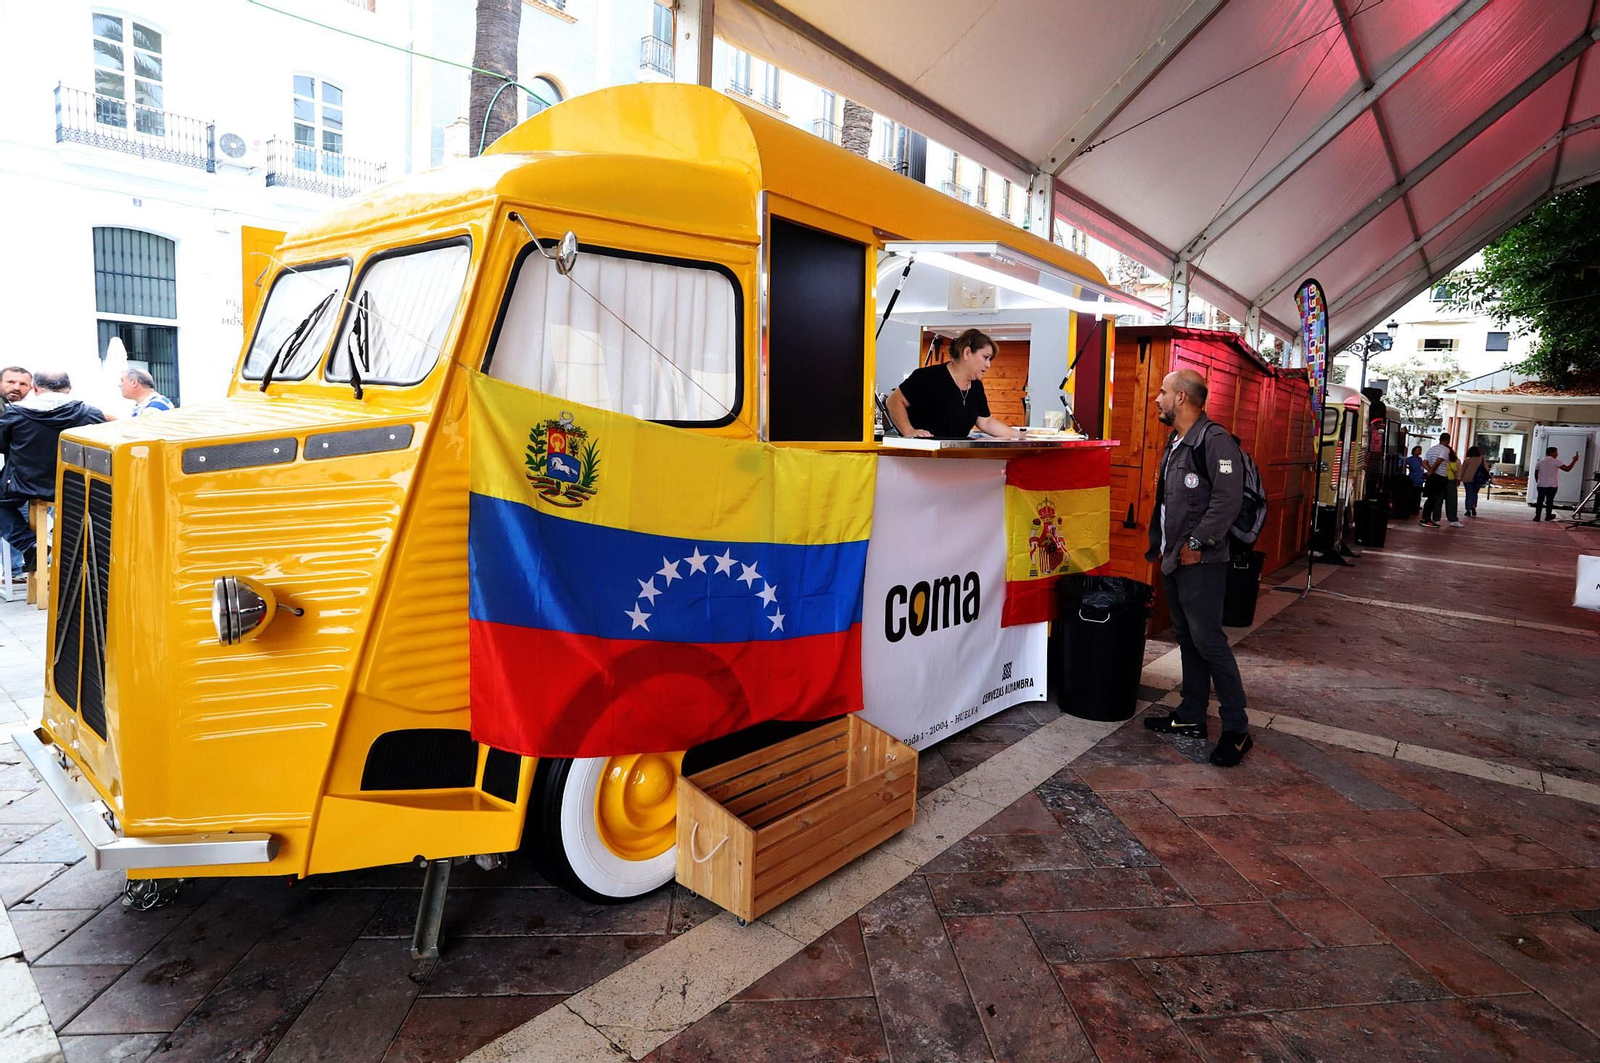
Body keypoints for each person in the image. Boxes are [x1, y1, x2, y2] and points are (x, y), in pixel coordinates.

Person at [1141, 369, 1253, 768]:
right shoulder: (1177, 441)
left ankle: (1237, 729)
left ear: (1183, 398)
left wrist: (1195, 543)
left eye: (1163, 392)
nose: (1157, 398)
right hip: (1175, 558)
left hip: (1201, 561)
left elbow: (1227, 501)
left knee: (1210, 643)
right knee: (1188, 638)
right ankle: (1191, 715)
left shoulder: (1215, 441)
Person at [0, 371, 107, 570]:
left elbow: (1, 445)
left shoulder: (15, 414)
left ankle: (28, 543)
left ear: (35, 388)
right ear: (69, 389)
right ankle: (69, 557)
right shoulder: (90, 413)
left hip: (25, 486)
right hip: (75, 488)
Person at [886, 329, 1023, 440]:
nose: (988, 365)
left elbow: (985, 422)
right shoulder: (928, 377)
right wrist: (908, 431)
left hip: (954, 459)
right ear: (967, 352)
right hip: (923, 457)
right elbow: (894, 400)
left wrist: (1020, 435)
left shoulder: (976, 386)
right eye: (985, 357)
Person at [0, 367, 32, 576]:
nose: (16, 388)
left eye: (22, 384)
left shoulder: (15, 408)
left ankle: (18, 567)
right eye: (10, 382)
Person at [1532, 446, 1579, 521]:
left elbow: (1536, 473)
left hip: (1541, 485)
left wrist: (1538, 481)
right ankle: (1548, 516)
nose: (1557, 454)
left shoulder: (1540, 461)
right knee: (1549, 501)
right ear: (1551, 453)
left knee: (1540, 501)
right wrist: (1574, 461)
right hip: (1552, 485)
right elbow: (1567, 469)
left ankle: (1537, 516)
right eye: (1556, 452)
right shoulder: (1556, 461)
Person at [1419, 432, 1454, 528]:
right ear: (1448, 440)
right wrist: (1432, 471)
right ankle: (1427, 519)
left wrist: (1429, 471)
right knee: (1434, 498)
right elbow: (1439, 460)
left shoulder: (1432, 449)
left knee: (1431, 498)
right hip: (1440, 477)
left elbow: (1424, 462)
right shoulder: (1445, 450)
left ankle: (1425, 518)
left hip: (1432, 477)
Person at [1460, 446, 1490, 517]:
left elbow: (1462, 471)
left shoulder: (1467, 461)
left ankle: (1468, 510)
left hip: (1468, 479)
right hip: (1478, 480)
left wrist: (1459, 479)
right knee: (1475, 493)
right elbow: (1486, 469)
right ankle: (1473, 506)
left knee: (1469, 494)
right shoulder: (1482, 460)